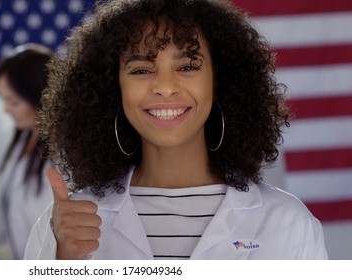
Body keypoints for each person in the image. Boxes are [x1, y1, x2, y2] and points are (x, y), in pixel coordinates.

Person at [25, 0, 328, 260]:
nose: (165, 88)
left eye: (187, 66)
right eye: (141, 70)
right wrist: (63, 260)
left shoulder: (287, 221)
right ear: (111, 88)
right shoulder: (64, 226)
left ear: (220, 80)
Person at [0, 43, 54, 259]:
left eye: (14, 101)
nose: (6, 110)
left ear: (41, 98)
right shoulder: (22, 139)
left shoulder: (64, 156)